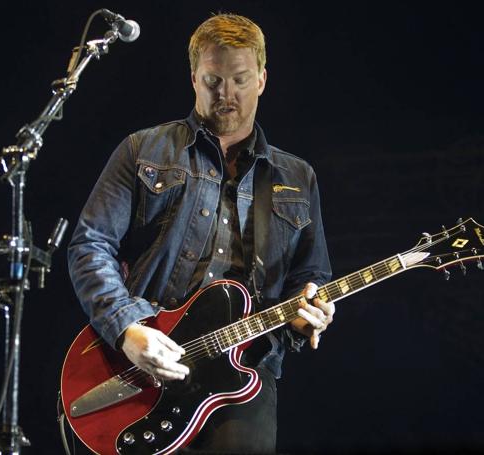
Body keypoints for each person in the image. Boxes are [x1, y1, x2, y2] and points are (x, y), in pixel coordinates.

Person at [68, 13, 335, 453]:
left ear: (262, 79)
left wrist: (315, 308)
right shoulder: (143, 150)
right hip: (145, 358)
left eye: (240, 80)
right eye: (213, 80)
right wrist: (128, 330)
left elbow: (313, 277)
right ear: (194, 78)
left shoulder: (297, 176)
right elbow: (89, 245)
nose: (226, 95)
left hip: (245, 369)